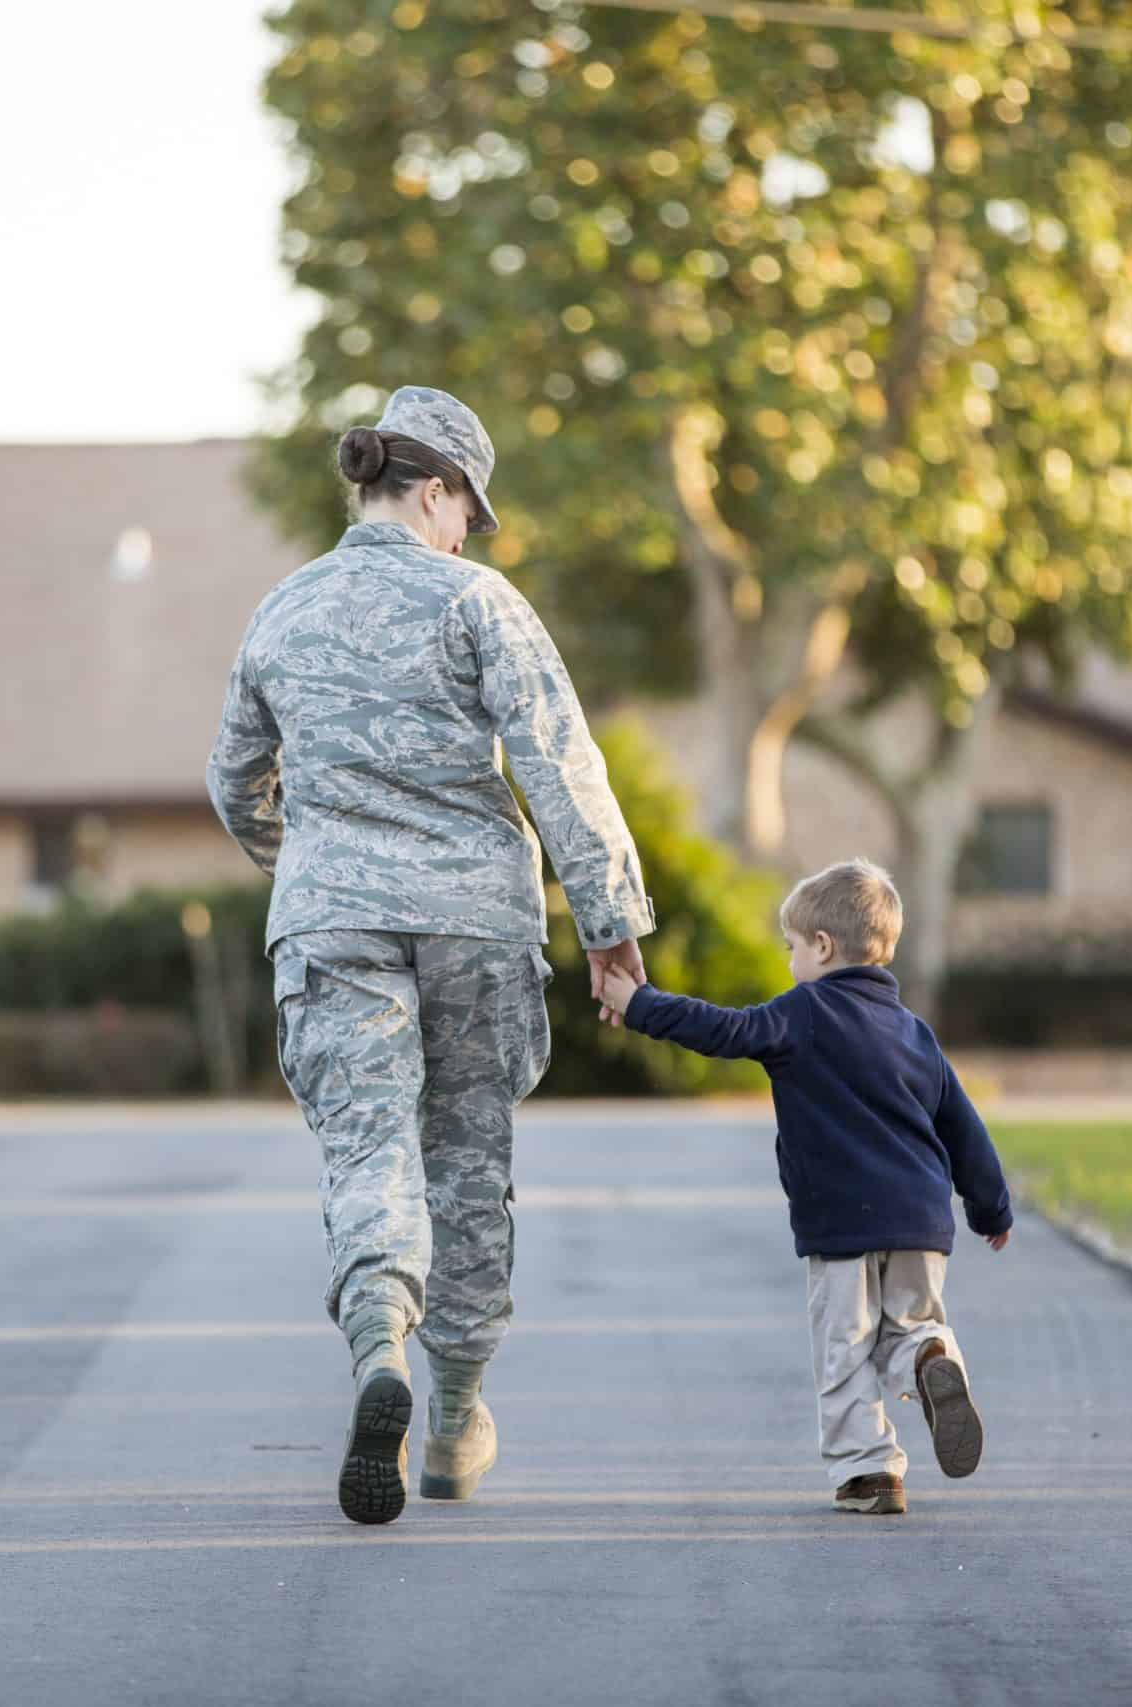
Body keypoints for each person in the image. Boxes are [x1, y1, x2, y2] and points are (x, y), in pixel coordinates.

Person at [207, 385, 654, 1526]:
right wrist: (609, 926)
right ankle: (455, 1416)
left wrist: (306, 866)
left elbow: (232, 780)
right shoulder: (479, 602)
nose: (467, 536)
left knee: (368, 1154)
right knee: (466, 1159)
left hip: (332, 921)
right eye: (467, 512)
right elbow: (558, 760)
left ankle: (379, 1361)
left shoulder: (282, 609)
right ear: (437, 491)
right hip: (474, 922)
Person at [591, 858, 1011, 1515]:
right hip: (921, 1222)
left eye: (791, 947)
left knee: (843, 1349)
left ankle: (868, 1472)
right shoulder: (914, 1034)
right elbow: (963, 1126)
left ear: (823, 945)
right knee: (910, 1327)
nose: (789, 962)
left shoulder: (801, 1014)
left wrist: (638, 1004)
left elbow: (721, 1030)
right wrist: (992, 1207)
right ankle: (933, 1354)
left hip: (840, 1223)